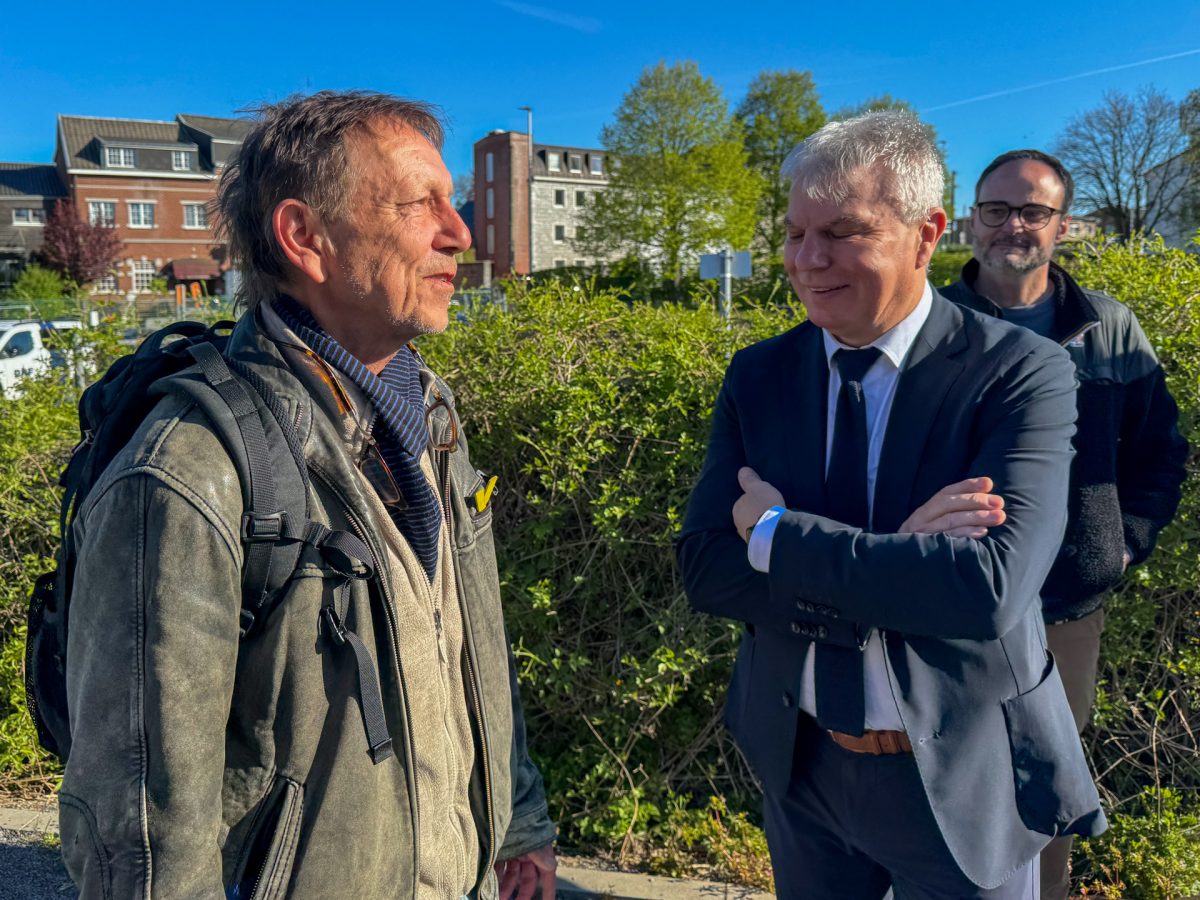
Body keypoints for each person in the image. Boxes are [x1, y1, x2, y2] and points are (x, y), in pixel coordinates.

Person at [59, 91, 557, 900]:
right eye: (417, 204)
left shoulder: (430, 418)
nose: (459, 231)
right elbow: (142, 831)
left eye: (451, 200)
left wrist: (519, 823)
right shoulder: (188, 470)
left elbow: (472, 646)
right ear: (305, 238)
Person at [677, 112, 1106, 899]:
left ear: (926, 233)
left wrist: (776, 534)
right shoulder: (760, 375)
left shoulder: (1019, 373)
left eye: (843, 232)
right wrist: (900, 555)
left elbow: (986, 591)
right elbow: (705, 567)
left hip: (965, 777)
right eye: (796, 231)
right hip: (804, 766)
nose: (808, 260)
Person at [942, 149, 1188, 900]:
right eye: (997, 210)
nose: (1013, 226)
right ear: (969, 219)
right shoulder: (931, 324)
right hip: (945, 600)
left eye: (1034, 212)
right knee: (942, 766)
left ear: (1063, 225)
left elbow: (1162, 449)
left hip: (1064, 611)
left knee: (1046, 774)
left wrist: (1116, 546)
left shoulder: (1108, 328)